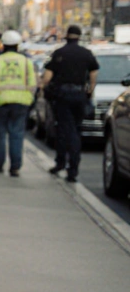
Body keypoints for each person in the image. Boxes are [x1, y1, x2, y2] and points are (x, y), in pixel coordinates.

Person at [42, 24, 100, 182]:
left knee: (63, 129)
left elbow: (47, 77)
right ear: (79, 37)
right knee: (75, 129)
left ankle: (63, 164)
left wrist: (45, 88)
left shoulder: (59, 53)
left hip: (62, 96)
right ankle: (71, 167)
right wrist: (89, 92)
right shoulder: (86, 54)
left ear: (67, 36)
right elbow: (93, 75)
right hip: (79, 95)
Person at [0, 31, 36, 177]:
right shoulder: (27, 62)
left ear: (3, 45)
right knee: (17, 134)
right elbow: (33, 84)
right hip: (21, 102)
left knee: (0, 134)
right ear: (17, 45)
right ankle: (15, 167)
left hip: (0, 102)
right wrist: (29, 99)